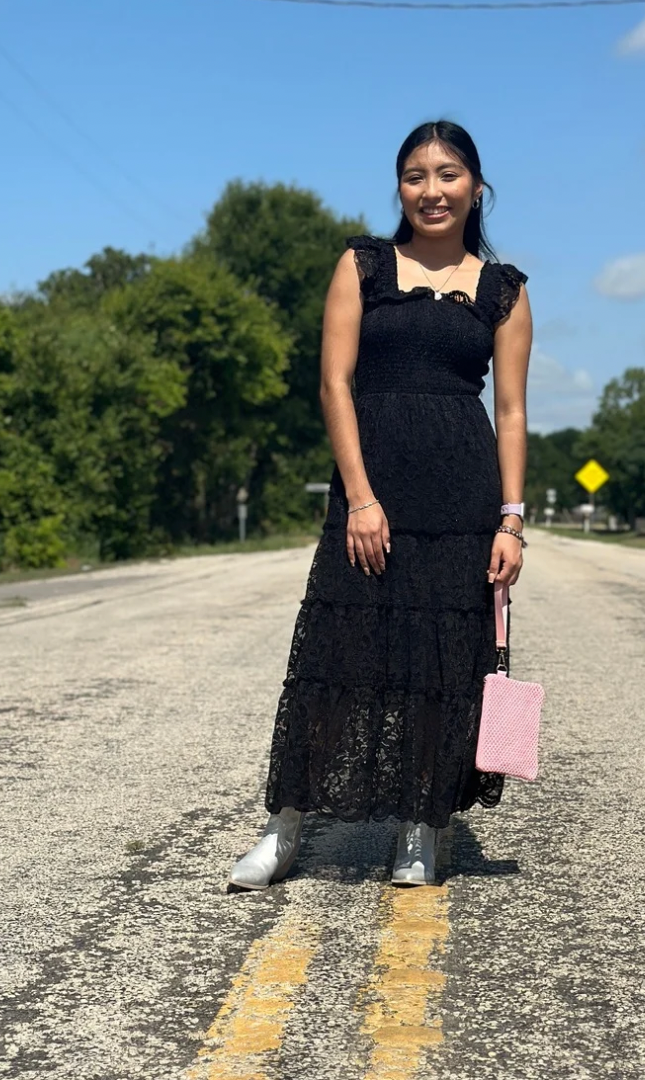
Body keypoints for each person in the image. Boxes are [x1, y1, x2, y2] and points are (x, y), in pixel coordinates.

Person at [229, 119, 532, 890]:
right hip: (371, 496)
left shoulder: (504, 291)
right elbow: (335, 385)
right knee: (337, 658)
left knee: (441, 669)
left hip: (461, 504)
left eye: (449, 174)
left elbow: (513, 414)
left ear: (477, 187)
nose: (431, 190)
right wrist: (361, 499)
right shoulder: (362, 265)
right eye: (415, 175)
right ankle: (285, 826)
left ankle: (421, 828)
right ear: (399, 187)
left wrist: (511, 519)